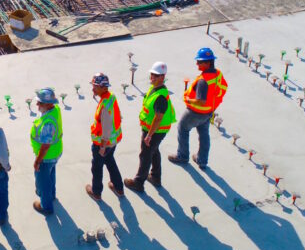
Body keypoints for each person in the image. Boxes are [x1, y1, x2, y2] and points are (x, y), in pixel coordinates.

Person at [169, 47, 228, 169]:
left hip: (195, 112)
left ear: (207, 63)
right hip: (208, 112)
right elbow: (222, 88)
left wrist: (188, 99)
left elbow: (201, 101)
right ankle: (202, 160)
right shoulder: (217, 74)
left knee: (183, 129)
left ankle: (182, 156)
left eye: (199, 62)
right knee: (204, 134)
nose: (197, 64)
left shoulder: (203, 81)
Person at [125, 62, 176, 192]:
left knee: (145, 155)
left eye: (155, 76)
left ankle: (138, 182)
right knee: (154, 151)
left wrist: (149, 135)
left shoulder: (160, 97)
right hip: (154, 130)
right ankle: (155, 177)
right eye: (152, 74)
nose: (152, 77)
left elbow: (158, 118)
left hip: (155, 131)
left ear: (162, 77)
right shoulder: (155, 89)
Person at [85, 72, 124, 200]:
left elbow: (106, 128)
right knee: (110, 161)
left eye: (95, 86)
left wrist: (102, 147)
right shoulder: (111, 97)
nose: (93, 88)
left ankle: (96, 192)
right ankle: (118, 187)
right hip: (113, 142)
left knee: (97, 167)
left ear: (103, 88)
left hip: (103, 144)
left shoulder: (105, 106)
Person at [30, 87, 62, 214]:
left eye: (40, 102)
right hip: (55, 153)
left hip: (47, 156)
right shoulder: (55, 109)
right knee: (50, 175)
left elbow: (45, 145)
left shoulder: (48, 123)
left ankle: (46, 206)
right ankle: (51, 195)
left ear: (49, 104)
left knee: (43, 181)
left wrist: (37, 161)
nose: (37, 104)